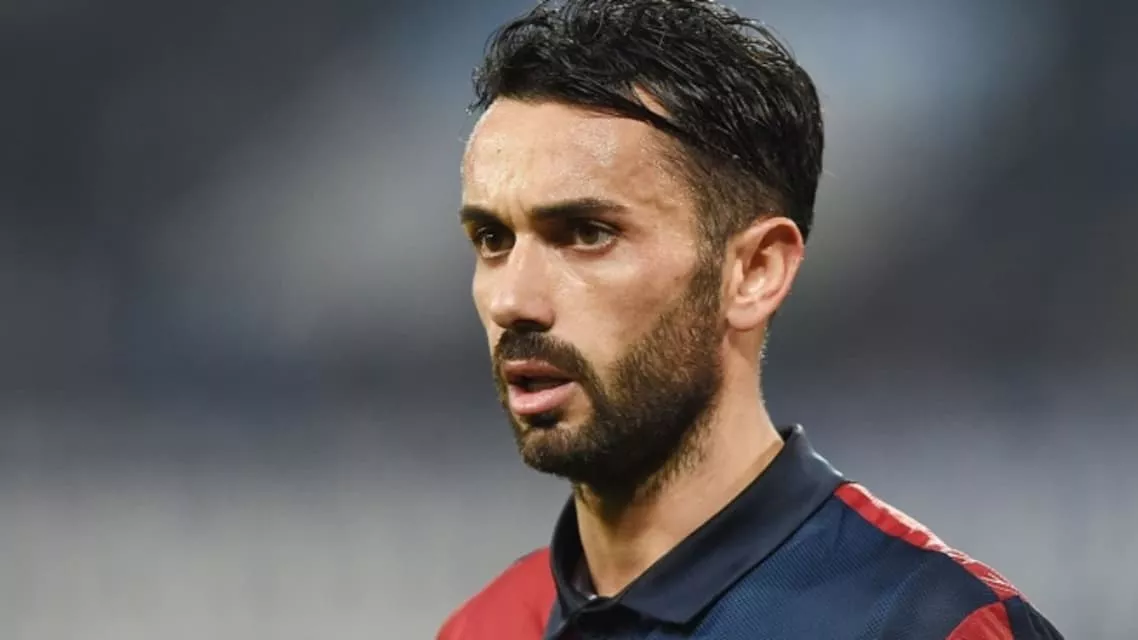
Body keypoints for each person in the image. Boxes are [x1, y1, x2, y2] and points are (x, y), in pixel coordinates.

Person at [439, 0, 1064, 638]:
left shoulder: (928, 623)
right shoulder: (483, 627)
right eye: (492, 239)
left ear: (755, 271)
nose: (512, 300)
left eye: (587, 233)